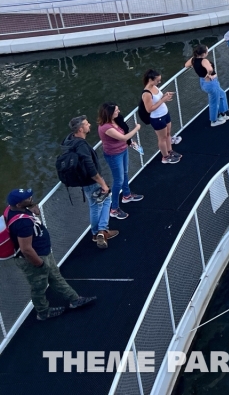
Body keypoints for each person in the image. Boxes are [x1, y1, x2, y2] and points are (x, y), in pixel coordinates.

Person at [5, 188, 96, 320]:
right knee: (38, 286)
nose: (31, 198)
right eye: (27, 198)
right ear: (19, 205)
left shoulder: (13, 209)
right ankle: (43, 312)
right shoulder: (22, 223)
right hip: (34, 259)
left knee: (55, 276)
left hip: (43, 253)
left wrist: (31, 208)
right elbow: (26, 249)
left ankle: (74, 299)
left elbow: (26, 209)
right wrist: (40, 264)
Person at [61, 116, 118, 248]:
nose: (90, 125)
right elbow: (90, 167)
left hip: (82, 180)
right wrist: (103, 183)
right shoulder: (81, 145)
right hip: (91, 181)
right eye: (87, 124)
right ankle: (102, 231)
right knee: (105, 199)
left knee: (94, 205)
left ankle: (96, 233)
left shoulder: (69, 140)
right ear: (81, 129)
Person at [97, 103, 143, 220]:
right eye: (116, 110)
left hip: (122, 150)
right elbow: (123, 137)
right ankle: (114, 209)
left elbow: (124, 136)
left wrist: (130, 142)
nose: (119, 111)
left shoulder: (116, 120)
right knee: (118, 180)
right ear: (109, 113)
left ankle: (127, 195)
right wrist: (137, 128)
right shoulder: (105, 127)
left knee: (125, 173)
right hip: (114, 155)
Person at [185, 45, 229, 126]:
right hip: (211, 83)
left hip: (203, 82)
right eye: (207, 50)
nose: (208, 51)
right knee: (214, 102)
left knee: (222, 94)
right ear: (204, 53)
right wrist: (209, 75)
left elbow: (186, 65)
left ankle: (222, 114)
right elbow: (210, 69)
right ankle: (214, 121)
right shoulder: (204, 61)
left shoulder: (193, 59)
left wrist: (194, 66)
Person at [142, 70, 181, 164]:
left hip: (165, 114)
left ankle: (170, 151)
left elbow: (158, 100)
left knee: (168, 134)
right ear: (150, 80)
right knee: (162, 138)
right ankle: (165, 156)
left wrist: (164, 96)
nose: (159, 82)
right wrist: (163, 100)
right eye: (157, 80)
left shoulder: (154, 87)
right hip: (157, 118)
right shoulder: (146, 93)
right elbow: (149, 109)